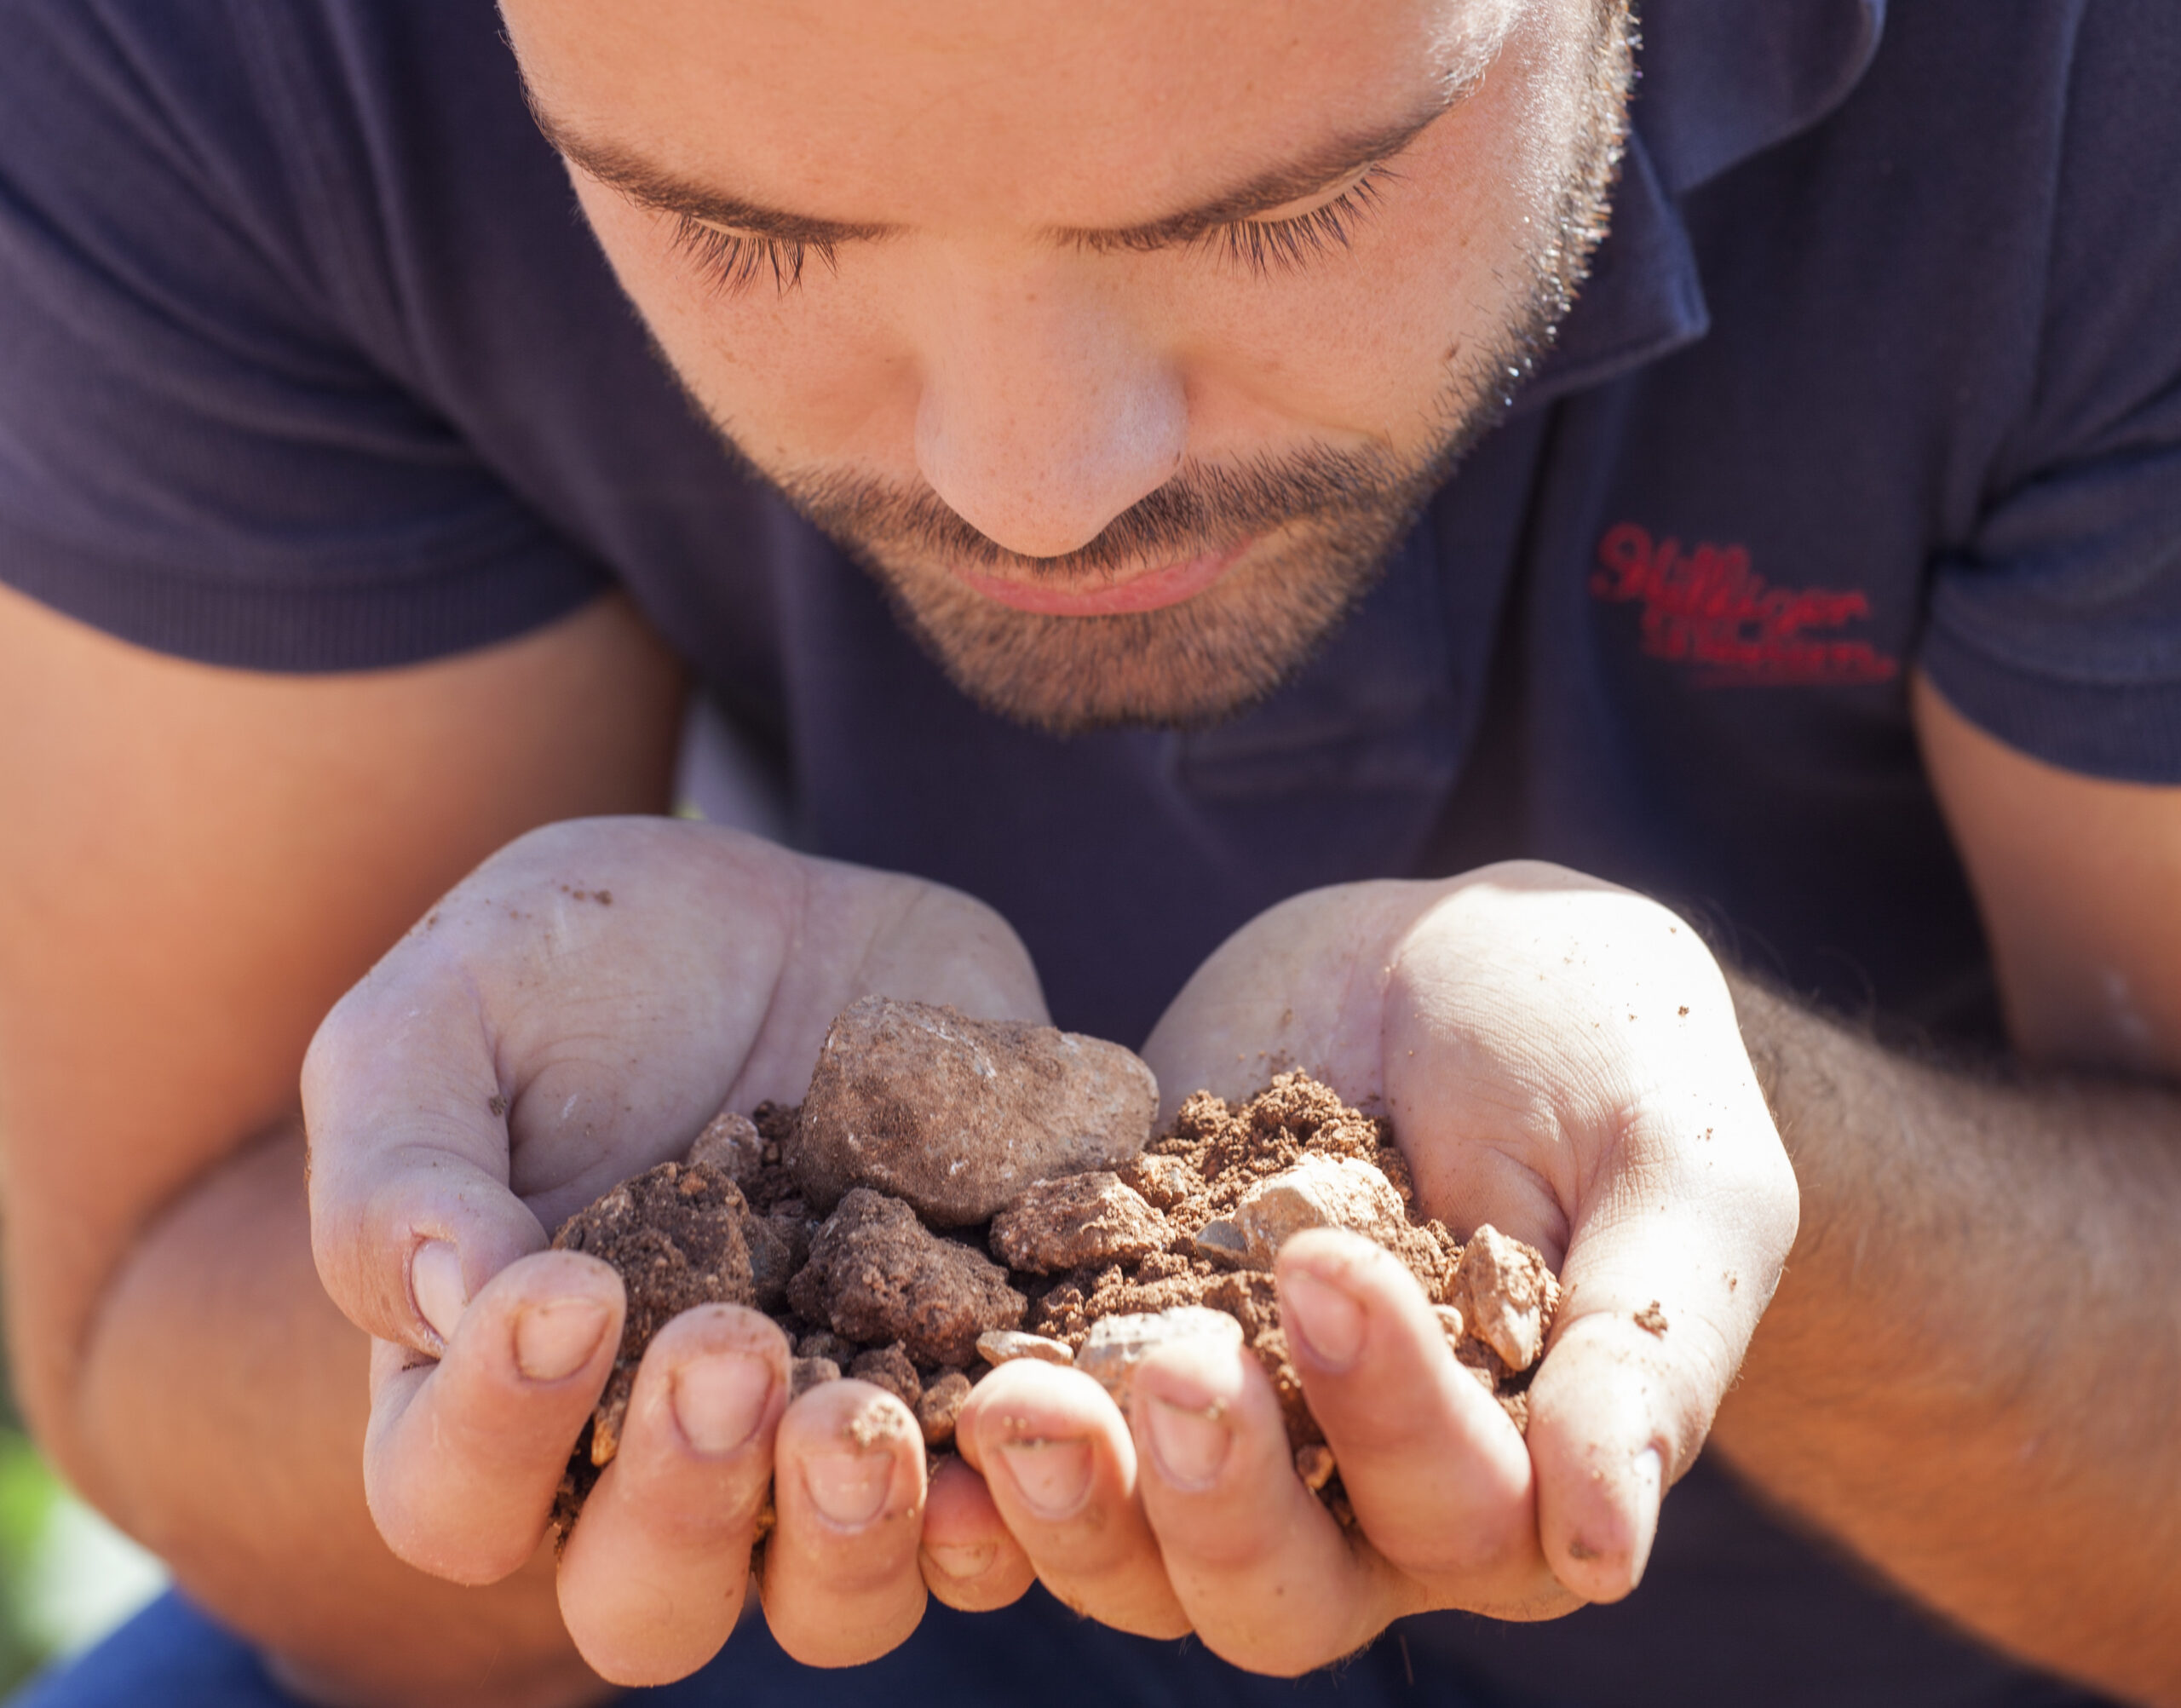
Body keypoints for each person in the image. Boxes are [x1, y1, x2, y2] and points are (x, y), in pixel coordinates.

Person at [0, 0, 2175, 1705]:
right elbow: (162, 1351)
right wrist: (559, 1340)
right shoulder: (229, 51)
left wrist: (1765, 1189)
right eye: (740, 228)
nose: (1034, 489)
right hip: (896, 1622)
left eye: (1284, 209)